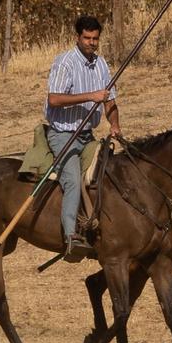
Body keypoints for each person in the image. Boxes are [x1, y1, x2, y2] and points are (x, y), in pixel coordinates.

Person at [43, 15, 121, 264]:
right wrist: (91, 96)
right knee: (74, 179)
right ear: (77, 37)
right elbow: (54, 99)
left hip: (88, 135)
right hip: (63, 134)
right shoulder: (64, 62)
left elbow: (110, 101)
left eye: (95, 38)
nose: (91, 43)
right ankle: (71, 236)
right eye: (87, 38)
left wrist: (115, 125)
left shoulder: (101, 65)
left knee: (111, 173)